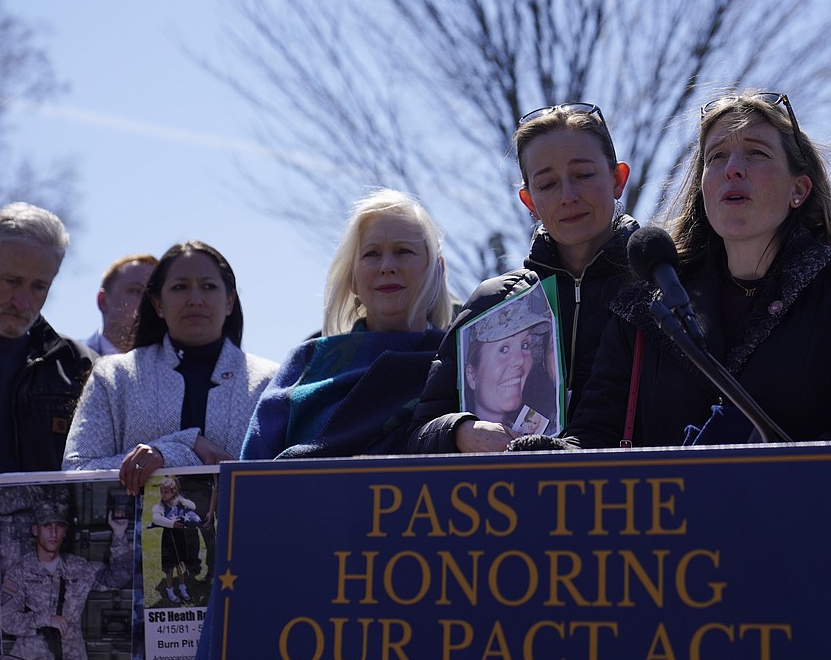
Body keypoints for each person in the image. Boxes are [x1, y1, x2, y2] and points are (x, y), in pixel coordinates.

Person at [555, 91, 831, 490]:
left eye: (756, 153)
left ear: (799, 189)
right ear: (703, 190)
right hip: (666, 548)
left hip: (796, 545)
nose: (732, 169)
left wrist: (760, 483)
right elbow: (593, 437)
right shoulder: (646, 307)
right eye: (716, 157)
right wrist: (545, 457)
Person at [409, 102, 638, 453]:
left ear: (618, 179)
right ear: (529, 201)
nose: (568, 196)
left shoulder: (661, 290)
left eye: (584, 175)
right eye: (547, 184)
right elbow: (419, 436)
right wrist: (461, 432)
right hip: (509, 503)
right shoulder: (494, 303)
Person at [0, 202, 94, 660]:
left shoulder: (78, 368)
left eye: (39, 287)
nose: (23, 300)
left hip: (31, 599)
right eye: (11, 281)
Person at [241, 189, 450, 459]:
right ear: (352, 278)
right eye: (371, 254)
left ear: (437, 270)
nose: (386, 266)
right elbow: (252, 476)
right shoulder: (309, 363)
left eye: (403, 251)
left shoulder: (459, 361)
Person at [61, 241, 278, 493]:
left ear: (230, 301)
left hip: (241, 532)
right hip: (138, 533)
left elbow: (282, 482)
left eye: (208, 287)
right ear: (157, 304)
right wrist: (178, 448)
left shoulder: (269, 382)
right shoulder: (114, 377)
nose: (195, 299)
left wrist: (169, 454)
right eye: (179, 287)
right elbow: (76, 474)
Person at [0, 499, 132, 660]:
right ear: (35, 530)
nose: (53, 533)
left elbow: (115, 579)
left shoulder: (78, 567)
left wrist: (119, 533)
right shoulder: (20, 571)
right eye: (47, 526)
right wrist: (44, 618)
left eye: (59, 526)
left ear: (65, 531)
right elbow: (6, 620)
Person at [461, 297, 550, 428]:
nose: (520, 360)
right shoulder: (450, 443)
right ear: (471, 376)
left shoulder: (536, 430)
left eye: (525, 345)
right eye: (504, 349)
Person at [81, 253, 157, 355]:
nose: (149, 301)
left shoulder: (178, 366)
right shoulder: (67, 360)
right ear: (103, 301)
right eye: (136, 291)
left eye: (156, 294)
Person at [150, 476, 201, 604]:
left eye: (166, 491)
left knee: (181, 564)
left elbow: (193, 506)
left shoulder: (180, 502)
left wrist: (183, 500)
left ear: (174, 492)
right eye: (161, 491)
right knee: (169, 567)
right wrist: (172, 524)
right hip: (168, 539)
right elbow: (156, 518)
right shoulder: (160, 506)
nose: (163, 494)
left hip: (180, 538)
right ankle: (170, 589)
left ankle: (183, 588)